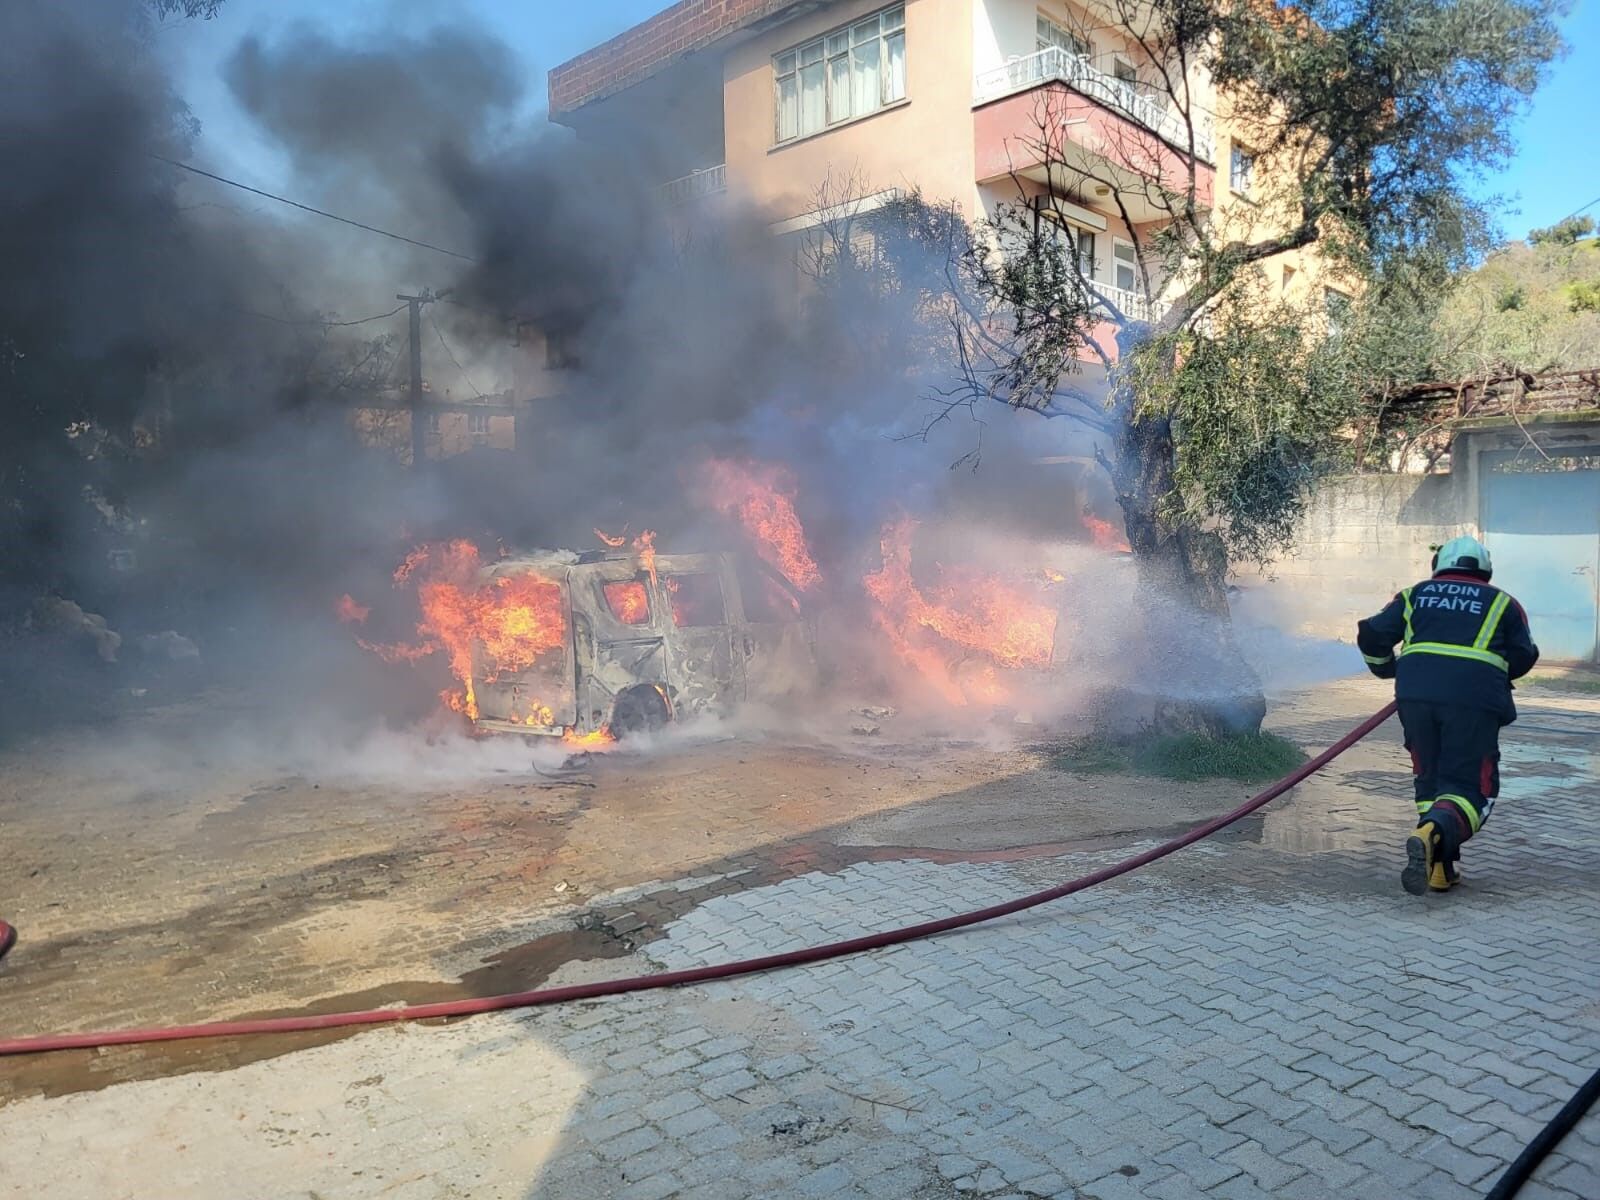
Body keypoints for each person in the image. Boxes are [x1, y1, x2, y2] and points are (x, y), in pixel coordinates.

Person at [1356, 535, 1539, 895]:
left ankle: (1440, 868)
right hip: (1474, 701)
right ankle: (1433, 832)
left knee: (1431, 780)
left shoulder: (1414, 595)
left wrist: (1387, 668)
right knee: (1472, 789)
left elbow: (1372, 634)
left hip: (1416, 698)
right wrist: (1495, 672)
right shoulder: (1503, 602)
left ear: (1438, 565)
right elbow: (1524, 655)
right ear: (1485, 569)